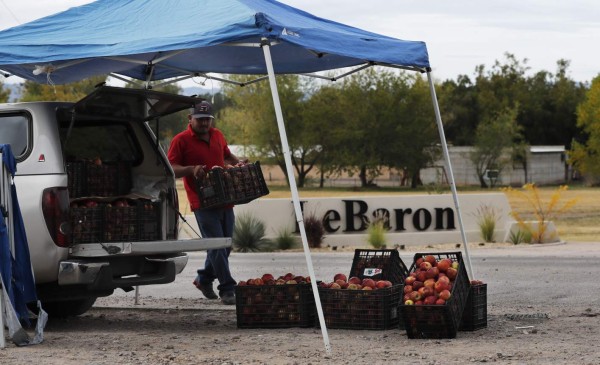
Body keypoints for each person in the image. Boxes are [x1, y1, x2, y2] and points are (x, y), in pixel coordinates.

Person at [167, 100, 244, 305]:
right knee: (217, 246)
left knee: (224, 246)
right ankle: (227, 288)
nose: (204, 124)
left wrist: (239, 163)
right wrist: (191, 170)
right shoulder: (180, 140)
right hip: (202, 202)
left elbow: (226, 156)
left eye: (207, 120)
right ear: (189, 119)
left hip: (226, 198)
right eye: (200, 120)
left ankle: (203, 279)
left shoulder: (217, 135)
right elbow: (171, 168)